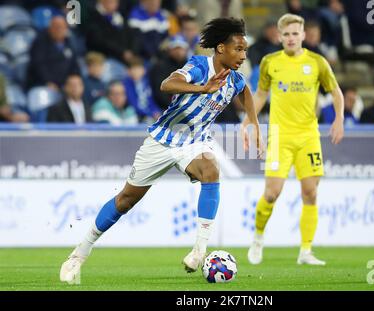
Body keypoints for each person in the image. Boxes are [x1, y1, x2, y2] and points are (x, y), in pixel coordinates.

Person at [60, 17, 263, 284]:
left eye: (245, 50)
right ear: (221, 48)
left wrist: (253, 121)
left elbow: (245, 91)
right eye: (238, 49)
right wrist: (202, 89)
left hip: (194, 143)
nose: (243, 55)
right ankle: (78, 254)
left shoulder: (234, 79)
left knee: (211, 171)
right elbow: (167, 84)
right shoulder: (199, 66)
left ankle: (199, 251)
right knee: (125, 201)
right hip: (162, 140)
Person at [241, 13, 344, 266]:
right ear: (279, 36)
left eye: (295, 33)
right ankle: (258, 238)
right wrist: (248, 122)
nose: (290, 38)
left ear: (303, 35)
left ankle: (305, 251)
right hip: (280, 136)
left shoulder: (317, 62)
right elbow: (261, 94)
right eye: (286, 34)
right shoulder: (269, 62)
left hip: (309, 136)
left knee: (310, 193)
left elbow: (336, 92)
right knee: (272, 193)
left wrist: (339, 118)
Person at [27, 15, 80, 90]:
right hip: (43, 84)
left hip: (64, 85)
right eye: (56, 27)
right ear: (50, 28)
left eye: (62, 27)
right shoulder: (40, 42)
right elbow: (38, 65)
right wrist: (48, 81)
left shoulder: (69, 43)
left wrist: (74, 78)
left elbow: (74, 65)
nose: (59, 30)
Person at [149, 35, 189, 111]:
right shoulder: (160, 67)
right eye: (175, 48)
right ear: (169, 49)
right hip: (164, 108)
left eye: (181, 48)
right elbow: (159, 92)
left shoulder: (191, 66)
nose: (178, 52)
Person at [123, 56, 161, 122]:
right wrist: (150, 114)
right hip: (136, 114)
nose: (136, 72)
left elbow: (151, 101)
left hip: (149, 114)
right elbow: (132, 102)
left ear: (144, 70)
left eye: (139, 69)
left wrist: (156, 111)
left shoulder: (147, 83)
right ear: (128, 71)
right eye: (134, 69)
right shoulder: (126, 84)